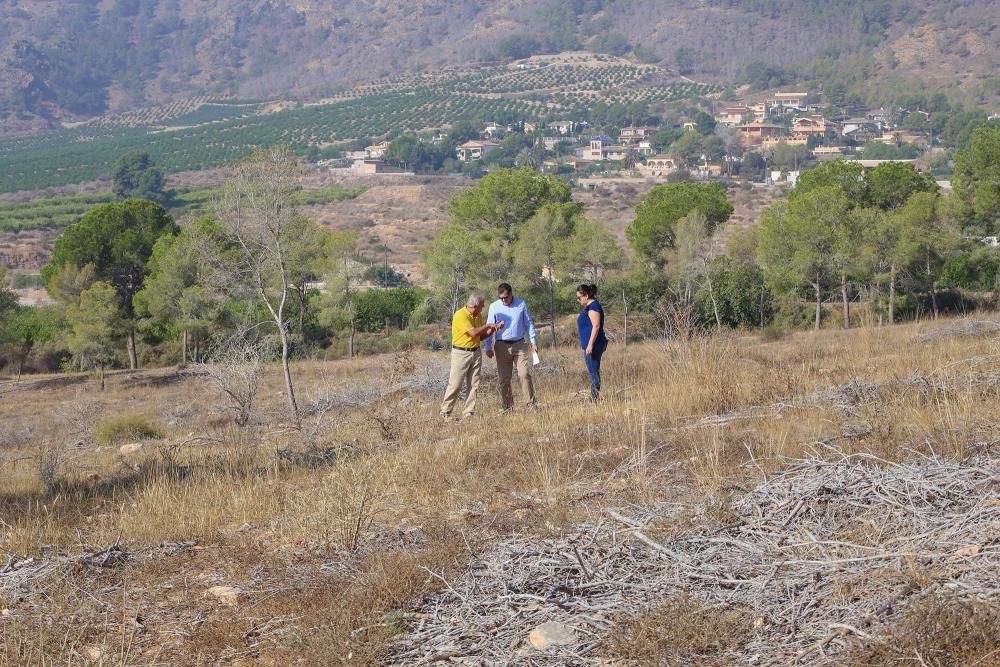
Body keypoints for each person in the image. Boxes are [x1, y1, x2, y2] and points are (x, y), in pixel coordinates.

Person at [440, 291, 504, 420]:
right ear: (475, 306)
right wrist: (488, 325)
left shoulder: (478, 316)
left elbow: (479, 337)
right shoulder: (460, 315)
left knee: (474, 384)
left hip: (475, 352)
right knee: (455, 384)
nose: (483, 308)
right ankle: (445, 412)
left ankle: (468, 412)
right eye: (482, 305)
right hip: (461, 353)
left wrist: (493, 329)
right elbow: (473, 333)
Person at [484, 283, 538, 413]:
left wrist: (533, 341)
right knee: (504, 378)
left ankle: (531, 405)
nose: (503, 300)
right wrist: (487, 346)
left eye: (506, 297)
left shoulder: (521, 304)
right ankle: (507, 407)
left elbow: (528, 323)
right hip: (501, 345)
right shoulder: (494, 307)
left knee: (524, 374)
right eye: (501, 298)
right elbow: (489, 327)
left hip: (519, 344)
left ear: (511, 294)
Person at [576, 284, 607, 401]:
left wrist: (590, 344)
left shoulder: (593, 307)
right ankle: (593, 397)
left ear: (586, 295)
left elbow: (596, 326)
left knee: (594, 374)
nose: (578, 300)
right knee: (593, 373)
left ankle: (593, 400)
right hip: (590, 345)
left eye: (579, 297)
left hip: (593, 346)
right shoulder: (590, 307)